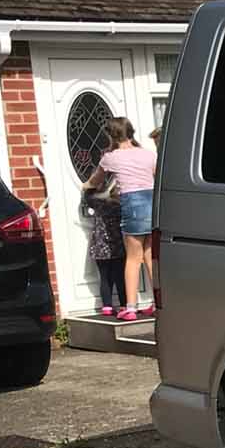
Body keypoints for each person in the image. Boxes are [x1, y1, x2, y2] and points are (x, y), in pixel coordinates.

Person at [87, 118, 156, 321]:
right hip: (151, 204)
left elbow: (95, 181)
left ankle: (131, 308)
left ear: (111, 135)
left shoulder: (111, 157)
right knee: (149, 255)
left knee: (133, 259)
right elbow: (155, 176)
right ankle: (157, 303)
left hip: (132, 205)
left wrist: (85, 187)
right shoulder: (148, 154)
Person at [83, 170, 125, 315]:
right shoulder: (120, 205)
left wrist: (92, 183)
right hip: (117, 246)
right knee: (120, 276)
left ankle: (106, 306)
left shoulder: (97, 203)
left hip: (100, 246)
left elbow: (87, 194)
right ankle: (124, 304)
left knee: (105, 277)